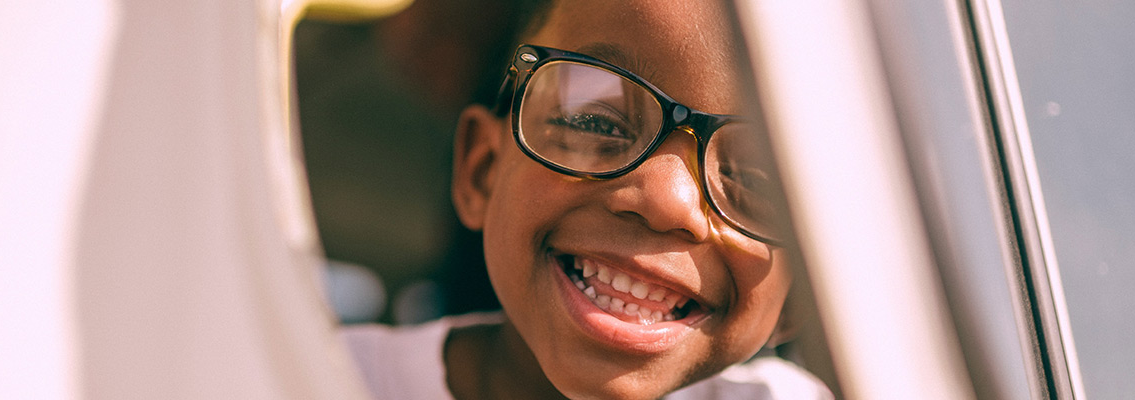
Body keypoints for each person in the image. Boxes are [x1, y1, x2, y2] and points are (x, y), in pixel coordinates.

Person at [342, 0, 832, 398]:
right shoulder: (308, 372)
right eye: (596, 123)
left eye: (756, 179)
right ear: (482, 173)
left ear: (806, 292)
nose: (668, 201)